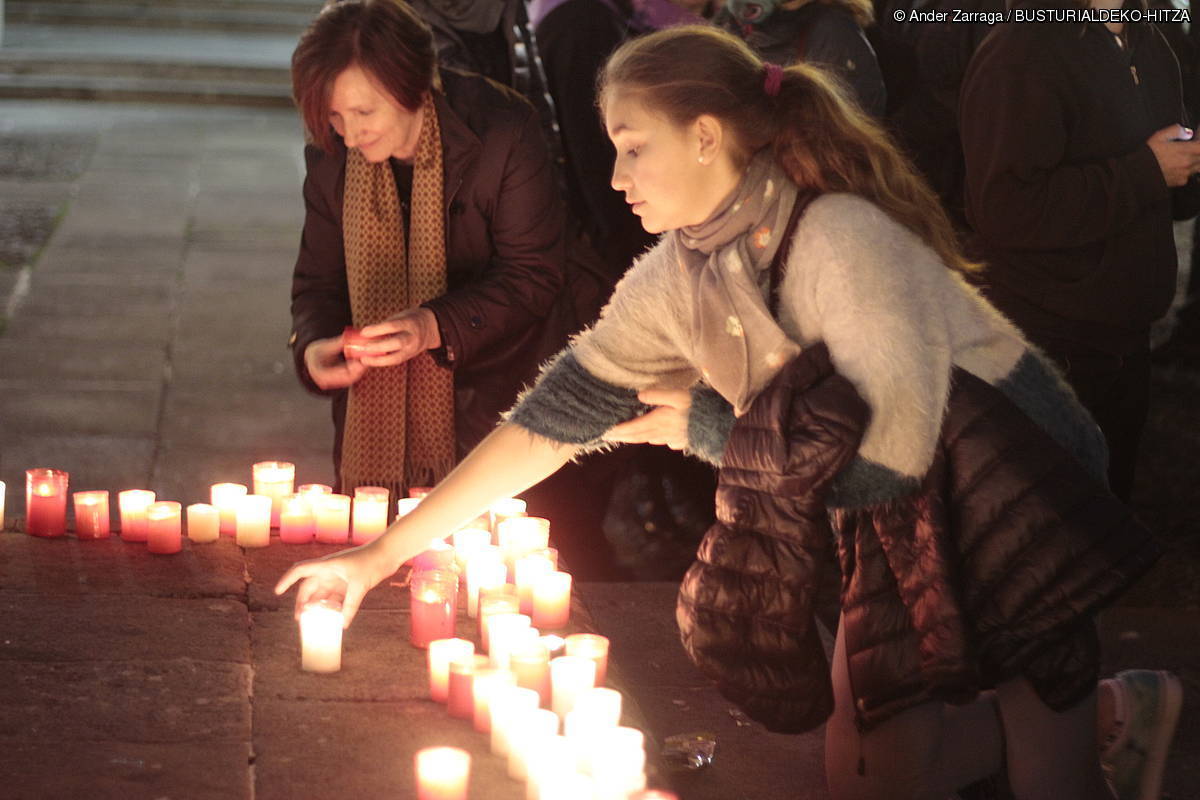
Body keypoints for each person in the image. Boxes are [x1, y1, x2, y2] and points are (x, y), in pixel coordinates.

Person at [279, 25, 1180, 800]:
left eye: (634, 146)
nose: (616, 174)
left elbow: (888, 463)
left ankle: (1111, 716)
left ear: (706, 137)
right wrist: (380, 556)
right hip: (891, 512)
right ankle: (1112, 714)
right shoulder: (680, 270)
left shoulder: (839, 241)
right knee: (873, 775)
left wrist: (700, 424)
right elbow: (546, 421)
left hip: (1012, 497)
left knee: (1047, 775)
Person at [288, 0, 566, 500]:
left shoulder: (504, 131)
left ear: (414, 85)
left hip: (493, 395)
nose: (349, 134)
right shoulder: (330, 156)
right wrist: (313, 347)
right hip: (372, 420)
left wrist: (433, 326)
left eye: (364, 111)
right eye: (333, 115)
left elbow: (534, 275)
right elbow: (317, 283)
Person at [959, 0, 1200, 501]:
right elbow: (1005, 208)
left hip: (1126, 335)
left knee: (1108, 506)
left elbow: (1168, 197)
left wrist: (1185, 166)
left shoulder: (1150, 41)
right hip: (1050, 335)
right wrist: (1147, 172)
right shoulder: (1023, 52)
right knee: (1048, 526)